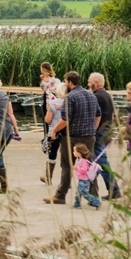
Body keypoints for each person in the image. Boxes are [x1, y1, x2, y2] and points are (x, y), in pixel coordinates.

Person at [44, 71, 98, 205]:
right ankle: (93, 195)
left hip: (72, 137)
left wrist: (54, 131)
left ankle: (60, 195)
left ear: (69, 82)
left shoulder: (70, 97)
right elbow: (98, 115)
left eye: (65, 81)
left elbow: (65, 120)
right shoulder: (91, 95)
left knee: (67, 166)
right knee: (89, 166)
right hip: (89, 137)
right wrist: (93, 129)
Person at [89, 72, 121, 200]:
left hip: (99, 131)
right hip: (107, 130)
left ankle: (114, 189)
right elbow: (113, 114)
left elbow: (97, 115)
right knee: (99, 159)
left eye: (89, 81)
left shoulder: (97, 96)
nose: (88, 83)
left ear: (96, 83)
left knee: (101, 161)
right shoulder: (107, 95)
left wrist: (93, 130)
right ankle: (97, 188)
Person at [40, 83, 66, 186]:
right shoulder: (71, 103)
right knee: (65, 155)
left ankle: (48, 177)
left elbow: (47, 119)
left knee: (52, 154)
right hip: (66, 132)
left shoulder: (52, 103)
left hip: (54, 132)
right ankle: (65, 179)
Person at [72, 143, 102, 209]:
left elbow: (84, 170)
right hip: (81, 179)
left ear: (79, 153)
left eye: (75, 151)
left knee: (83, 193)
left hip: (84, 180)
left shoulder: (84, 161)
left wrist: (76, 168)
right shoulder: (78, 160)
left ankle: (96, 202)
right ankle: (77, 204)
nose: (73, 152)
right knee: (78, 192)